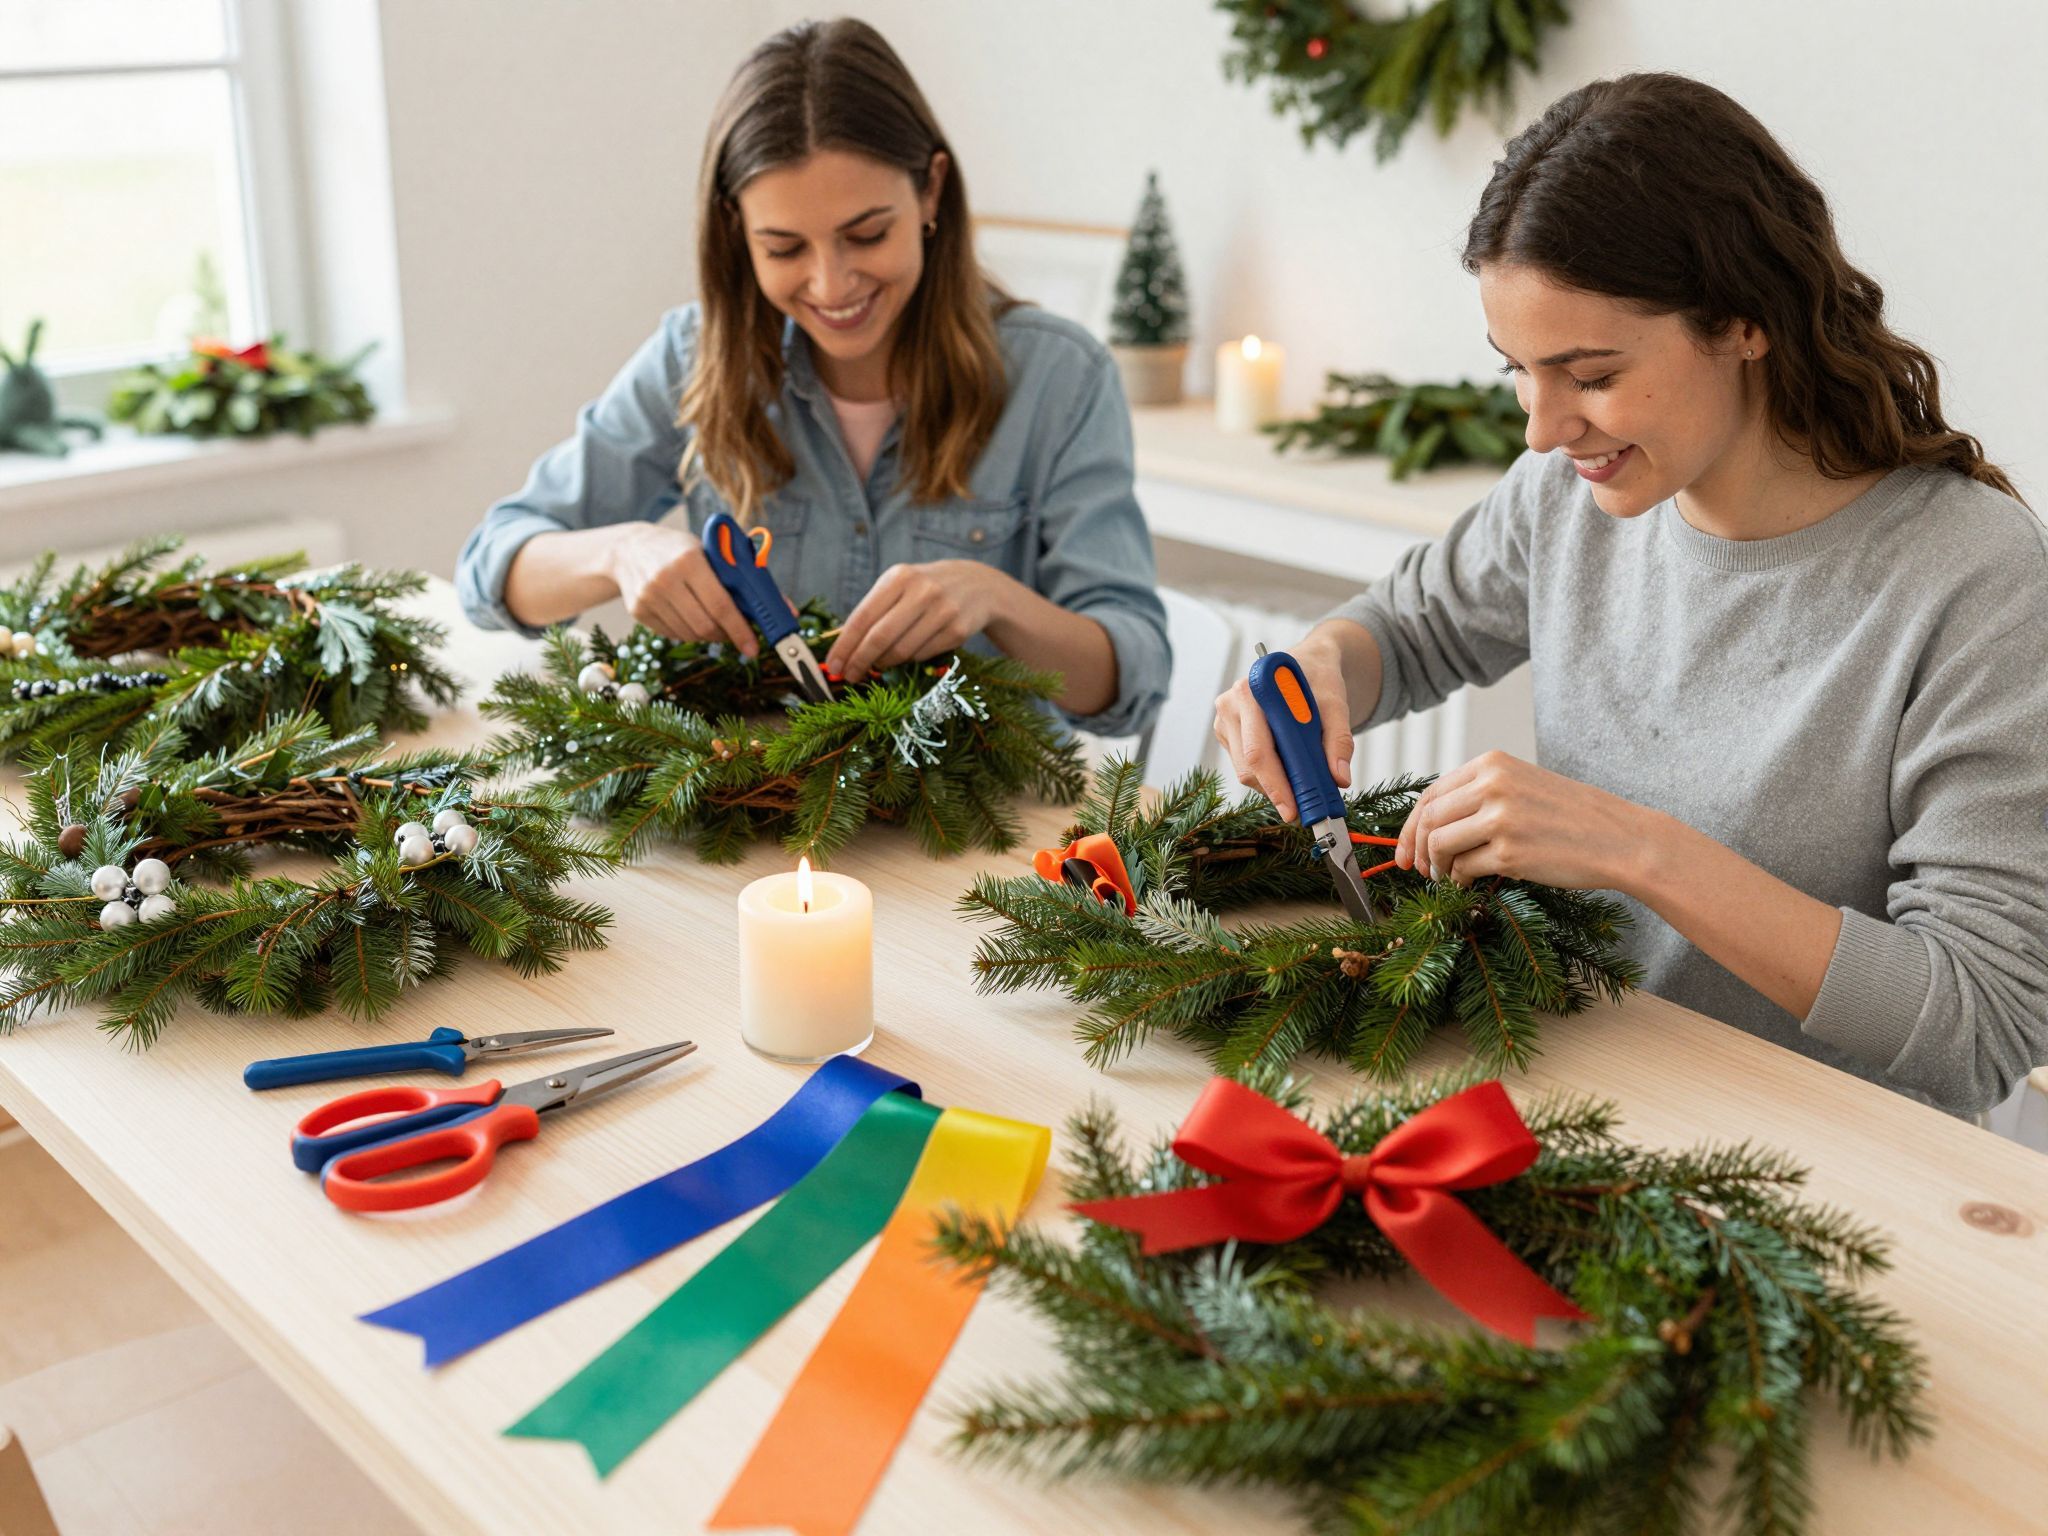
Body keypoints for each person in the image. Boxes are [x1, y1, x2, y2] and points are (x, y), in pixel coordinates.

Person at [1212, 72, 2047, 1117]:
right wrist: (1324, 665)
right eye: (1516, 370)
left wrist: (1636, 850)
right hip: (1571, 1114)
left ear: (1744, 322)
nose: (1541, 427)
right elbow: (1408, 629)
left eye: (1590, 375)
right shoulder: (1567, 495)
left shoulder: (1972, 575)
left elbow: (1977, 1025)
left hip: (1834, 1181)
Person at [457, 17, 1169, 738]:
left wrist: (996, 600)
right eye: (785, 247)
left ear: (930, 192)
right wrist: (620, 552)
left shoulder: (1059, 377)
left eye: (867, 235)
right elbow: (491, 568)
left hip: (981, 839)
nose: (832, 284)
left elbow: (1132, 677)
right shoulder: (692, 357)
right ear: (737, 230)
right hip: (749, 818)